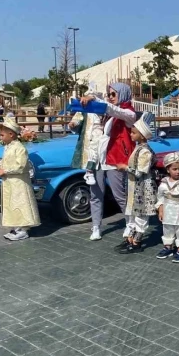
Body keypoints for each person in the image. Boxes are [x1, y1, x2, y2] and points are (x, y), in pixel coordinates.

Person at [80, 83, 137, 243]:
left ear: (123, 94)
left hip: (116, 158)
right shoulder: (108, 114)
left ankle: (130, 223)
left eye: (113, 94)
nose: (110, 97)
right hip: (99, 157)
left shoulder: (128, 113)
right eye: (109, 94)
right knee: (96, 194)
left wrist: (97, 100)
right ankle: (96, 226)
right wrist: (91, 97)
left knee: (119, 195)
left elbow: (112, 109)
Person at [118, 112, 157, 254]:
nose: (131, 134)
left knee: (141, 215)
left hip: (143, 188)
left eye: (134, 133)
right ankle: (131, 238)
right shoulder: (138, 148)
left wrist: (125, 168)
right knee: (134, 214)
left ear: (142, 135)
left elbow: (140, 171)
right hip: (135, 186)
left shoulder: (145, 151)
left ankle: (137, 242)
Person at [0, 117, 40, 241]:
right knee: (12, 204)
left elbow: (21, 165)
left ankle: (23, 229)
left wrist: (6, 171)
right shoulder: (8, 147)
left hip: (19, 182)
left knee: (21, 203)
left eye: (2, 135)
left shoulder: (20, 148)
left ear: (11, 134)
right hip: (9, 182)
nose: (0, 137)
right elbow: (4, 160)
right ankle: (16, 227)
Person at [70, 88, 107, 189]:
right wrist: (73, 124)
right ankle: (89, 171)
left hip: (102, 134)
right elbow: (77, 118)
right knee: (93, 150)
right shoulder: (85, 109)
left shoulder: (102, 107)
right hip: (91, 134)